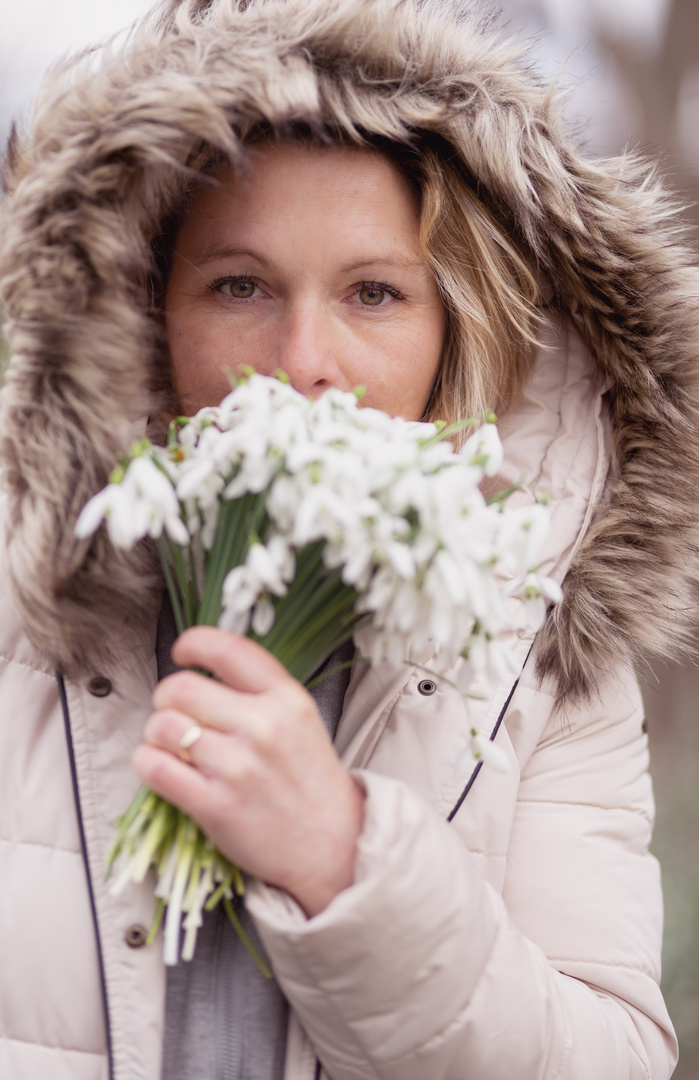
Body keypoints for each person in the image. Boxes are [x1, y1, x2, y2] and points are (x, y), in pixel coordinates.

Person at [0, 0, 697, 1077]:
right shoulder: (20, 596)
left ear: (454, 329)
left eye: (375, 293)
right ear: (142, 311)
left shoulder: (541, 661)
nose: (303, 358)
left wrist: (343, 859)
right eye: (240, 285)